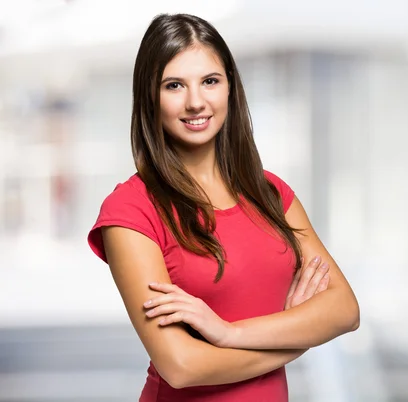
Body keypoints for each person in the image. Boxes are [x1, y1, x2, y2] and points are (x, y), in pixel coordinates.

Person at [87, 13, 360, 402]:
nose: (196, 102)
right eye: (174, 85)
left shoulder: (270, 193)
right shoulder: (132, 210)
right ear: (150, 96)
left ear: (230, 87)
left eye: (210, 81)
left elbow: (344, 310)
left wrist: (229, 333)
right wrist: (295, 338)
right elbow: (181, 366)